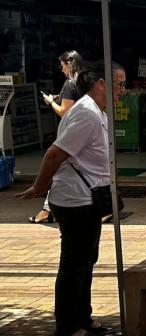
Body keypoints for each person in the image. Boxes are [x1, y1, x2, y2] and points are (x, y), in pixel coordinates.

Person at [16, 60, 127, 336]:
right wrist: (39, 188)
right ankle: (67, 325)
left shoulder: (96, 112)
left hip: (88, 197)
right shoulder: (86, 114)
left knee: (87, 260)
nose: (122, 91)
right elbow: (54, 154)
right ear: (101, 83)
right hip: (76, 199)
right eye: (119, 84)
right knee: (75, 263)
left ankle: (83, 317)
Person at [30, 50, 85, 224]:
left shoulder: (70, 84)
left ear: (69, 64)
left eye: (62, 66)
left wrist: (51, 102)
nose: (61, 70)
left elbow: (64, 112)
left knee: (57, 169)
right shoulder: (85, 82)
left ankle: (47, 210)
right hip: (85, 133)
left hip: (71, 133)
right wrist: (57, 97)